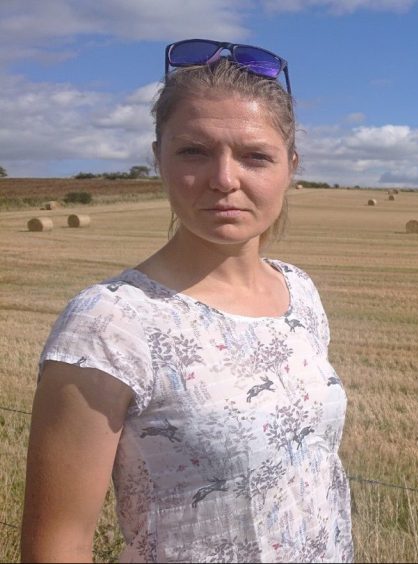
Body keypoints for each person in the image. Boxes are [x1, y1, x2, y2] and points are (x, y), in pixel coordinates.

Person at [20, 39, 353, 563]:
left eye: (255, 156)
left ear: (290, 166)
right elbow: (57, 545)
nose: (224, 179)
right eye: (194, 151)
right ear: (159, 159)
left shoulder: (300, 293)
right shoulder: (110, 323)